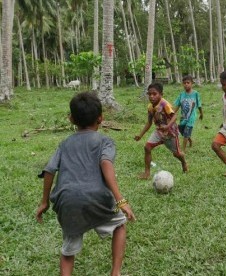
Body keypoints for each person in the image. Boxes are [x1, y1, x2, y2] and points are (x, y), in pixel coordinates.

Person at [35, 92, 136, 276]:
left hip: (67, 201)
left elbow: (49, 170)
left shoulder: (64, 144)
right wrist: (121, 201)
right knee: (120, 225)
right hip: (98, 198)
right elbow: (106, 164)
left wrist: (44, 202)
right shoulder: (105, 141)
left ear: (71, 119)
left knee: (68, 250)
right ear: (101, 118)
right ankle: (116, 272)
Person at [135, 83, 188, 179]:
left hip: (171, 133)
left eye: (154, 94)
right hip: (159, 132)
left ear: (161, 94)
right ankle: (147, 173)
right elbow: (149, 122)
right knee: (147, 147)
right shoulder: (150, 107)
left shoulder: (165, 104)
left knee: (177, 154)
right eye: (149, 94)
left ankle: (183, 161)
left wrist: (168, 126)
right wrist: (140, 135)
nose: (151, 96)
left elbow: (174, 116)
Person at [173, 75, 204, 152]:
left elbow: (199, 105)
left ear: (192, 83)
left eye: (188, 82)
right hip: (183, 117)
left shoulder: (195, 94)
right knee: (181, 129)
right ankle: (189, 140)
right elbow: (177, 105)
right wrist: (172, 114)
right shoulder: (181, 94)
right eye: (184, 83)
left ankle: (182, 150)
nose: (186, 84)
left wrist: (201, 113)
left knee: (186, 131)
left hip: (191, 117)